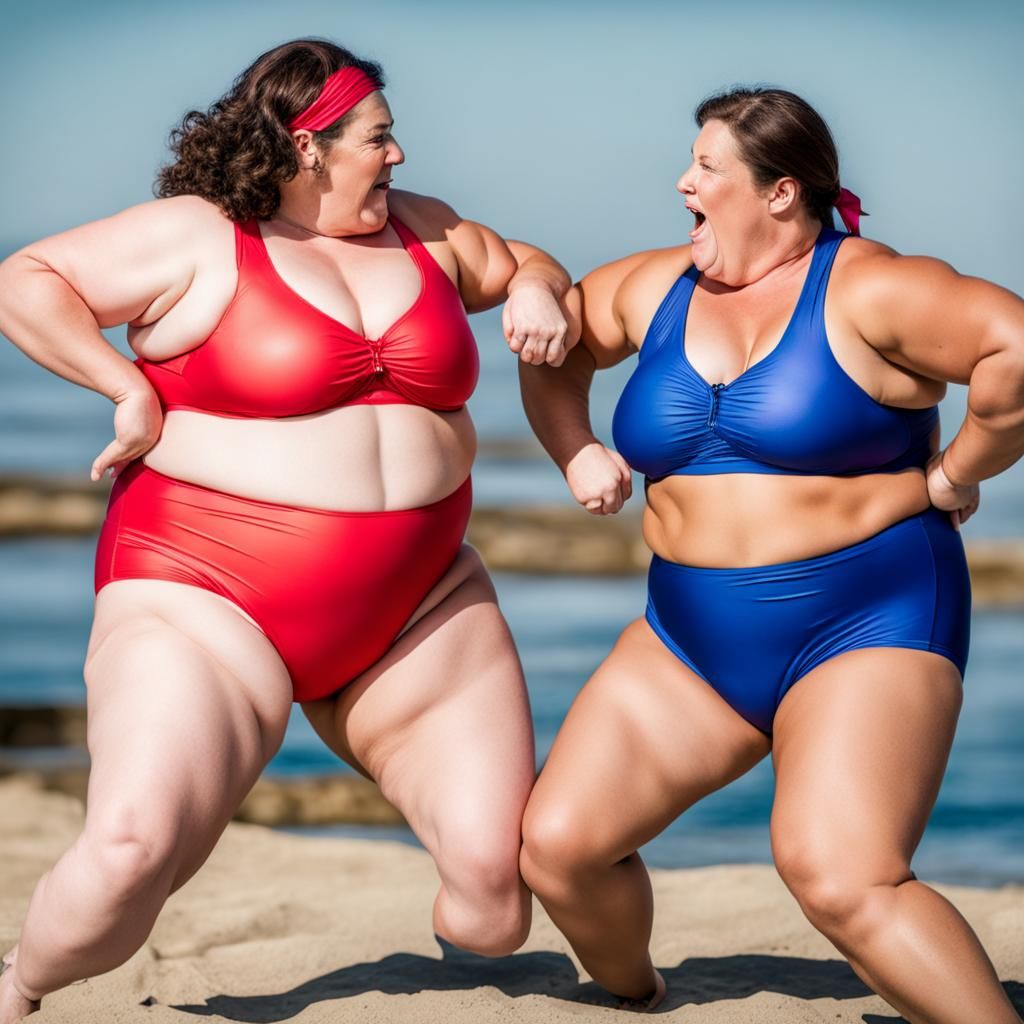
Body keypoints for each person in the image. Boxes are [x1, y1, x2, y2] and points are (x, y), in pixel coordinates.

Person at [0, 38, 571, 1021]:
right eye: (378, 139)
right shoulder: (199, 233)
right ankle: (17, 987)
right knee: (132, 856)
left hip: (416, 603)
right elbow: (27, 279)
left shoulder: (426, 232)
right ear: (308, 145)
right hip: (208, 596)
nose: (398, 158)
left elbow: (522, 260)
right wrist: (124, 388)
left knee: (493, 904)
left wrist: (528, 289)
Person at [518, 87, 1024, 1020]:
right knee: (560, 847)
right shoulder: (655, 286)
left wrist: (958, 470)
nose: (685, 181)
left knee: (840, 877)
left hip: (866, 619)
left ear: (781, 192)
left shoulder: (868, 286)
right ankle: (641, 999)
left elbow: (1015, 351)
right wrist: (576, 447)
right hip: (689, 637)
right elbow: (555, 348)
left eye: (707, 168)